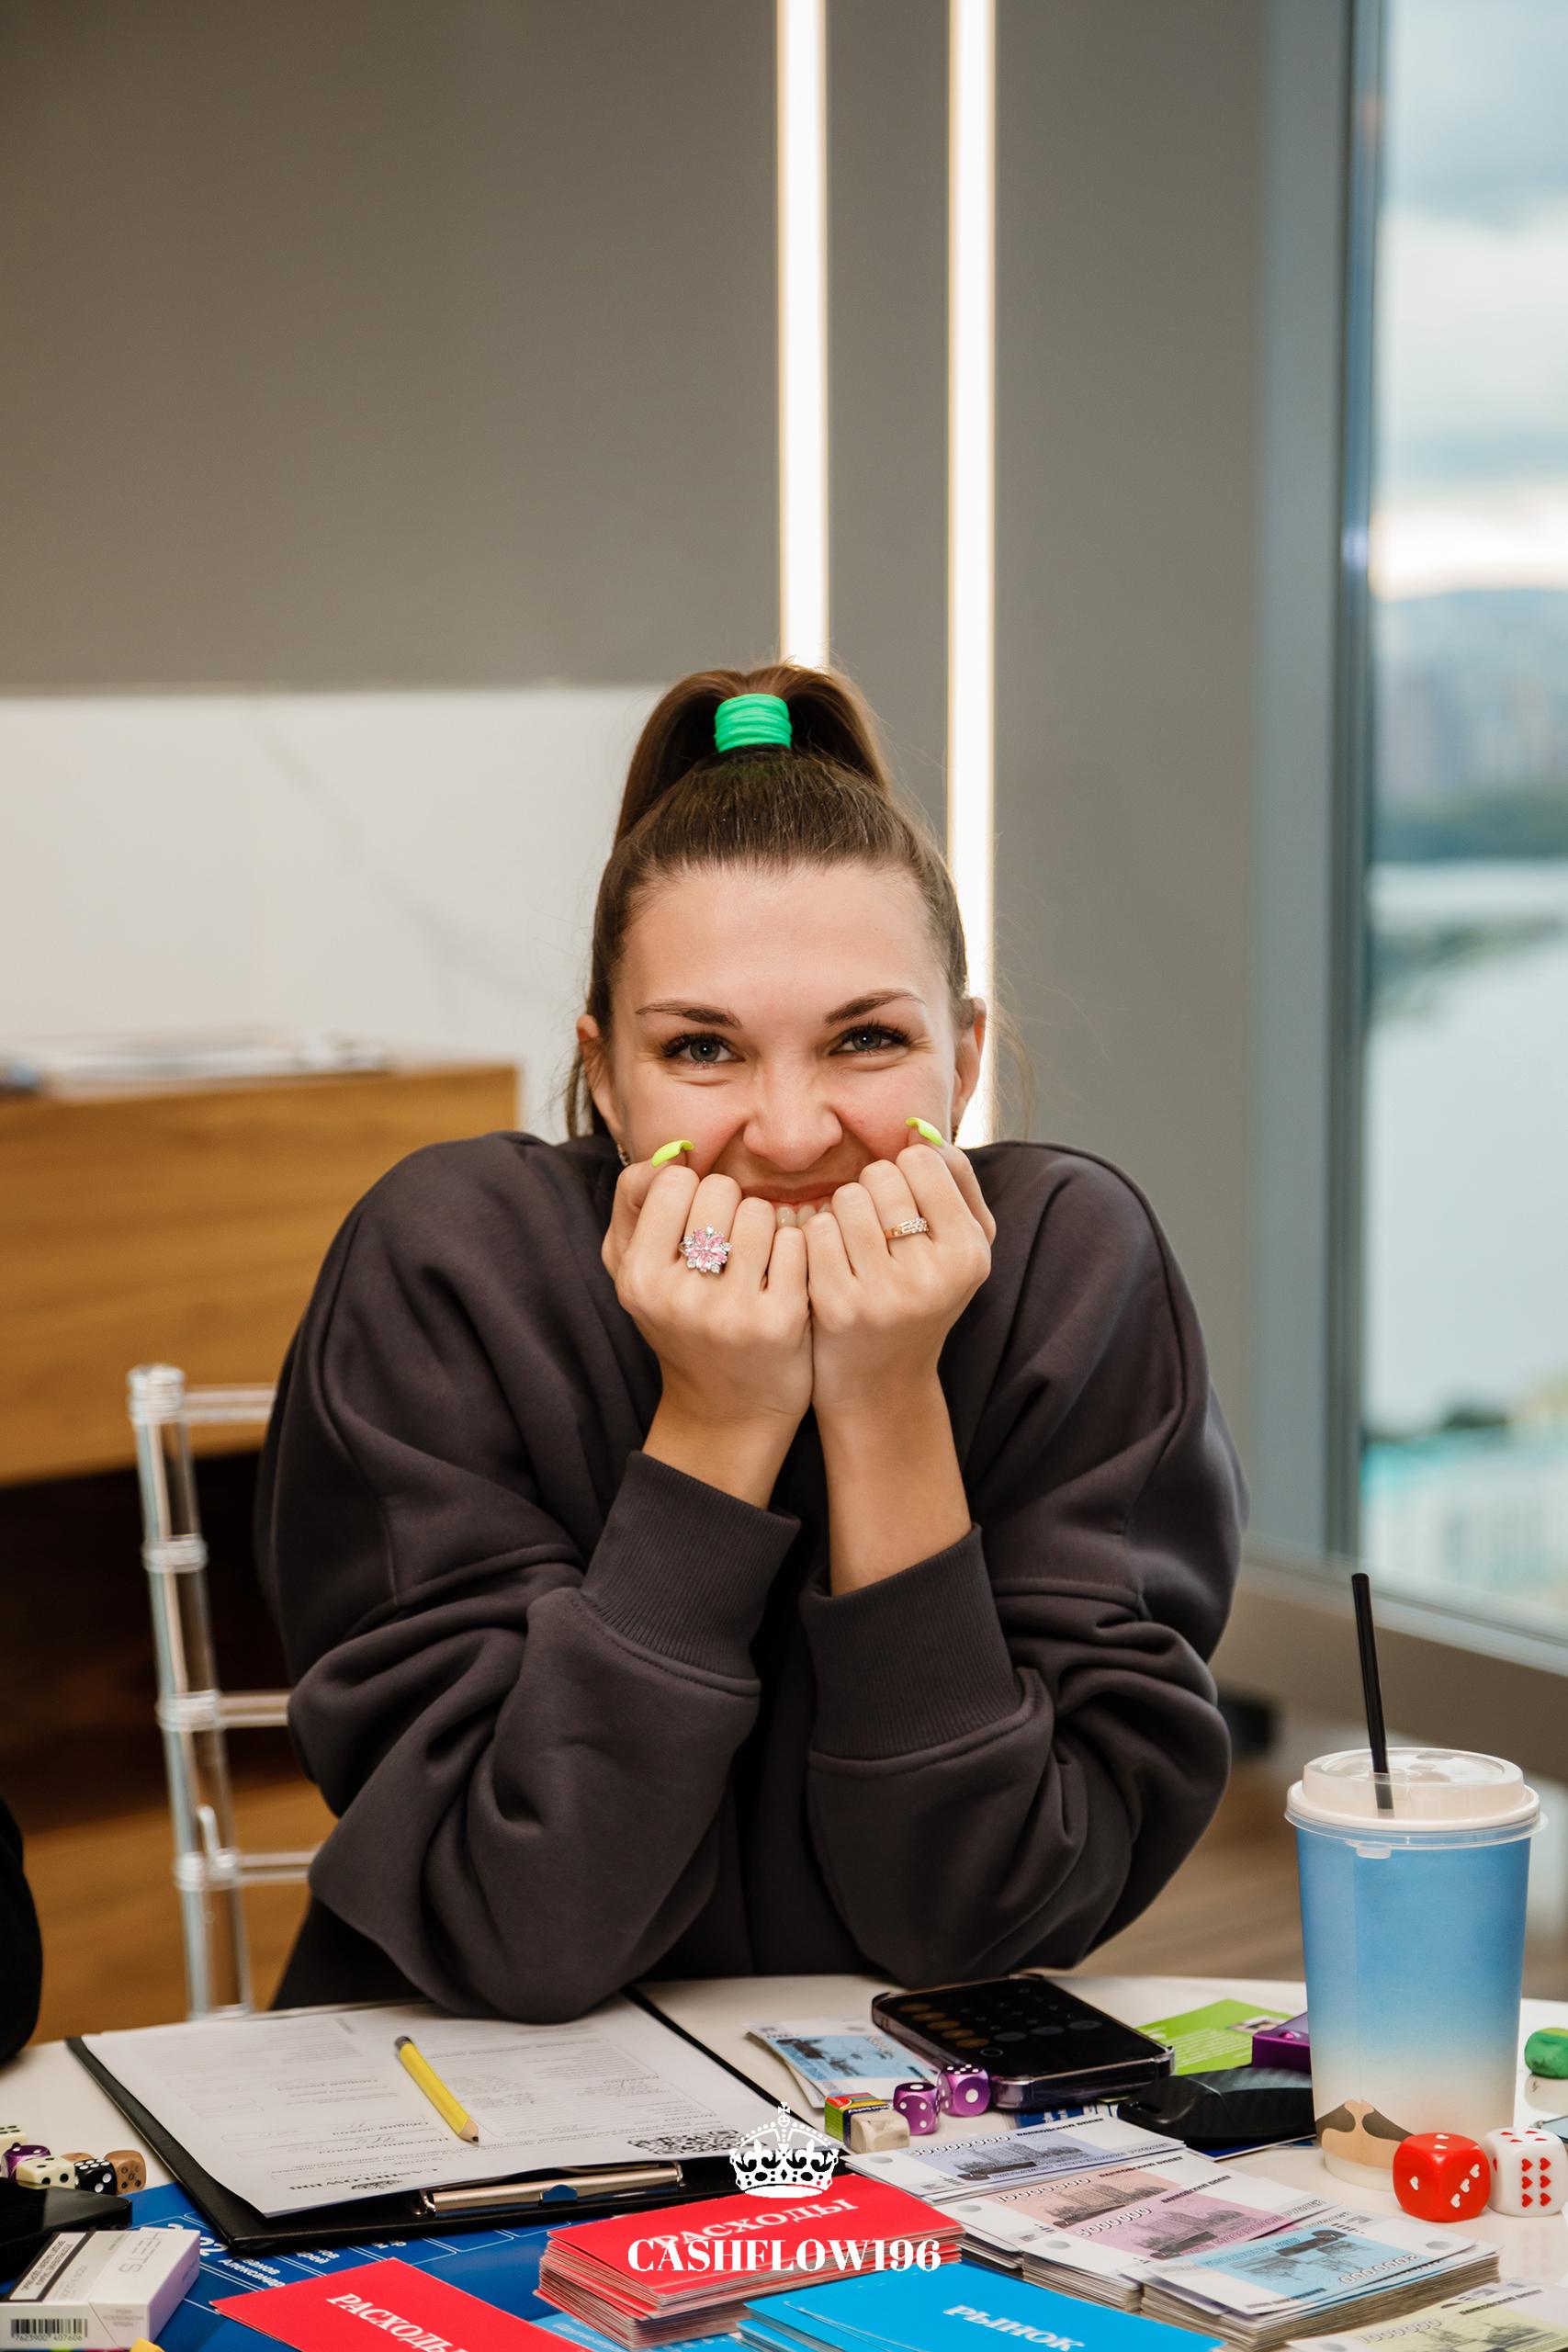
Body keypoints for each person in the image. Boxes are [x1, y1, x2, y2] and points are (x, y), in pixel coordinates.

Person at [255, 663, 1246, 2019]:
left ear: (964, 1061)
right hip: (468, 2097)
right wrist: (719, 1421)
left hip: (901, 2105)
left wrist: (889, 1400)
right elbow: (524, 1925)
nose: (788, 1134)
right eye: (703, 1051)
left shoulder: (1071, 1264)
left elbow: (982, 1924)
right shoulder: (454, 1258)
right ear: (604, 1075)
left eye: (866, 1040)